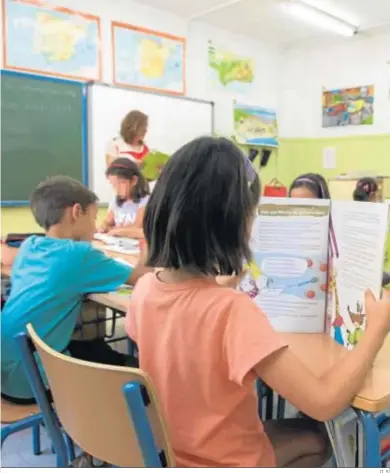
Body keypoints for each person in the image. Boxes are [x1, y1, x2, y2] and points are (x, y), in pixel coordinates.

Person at [125, 136, 390, 468]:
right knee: (321, 434)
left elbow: (182, 332)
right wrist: (375, 331)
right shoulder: (231, 311)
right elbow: (324, 403)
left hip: (174, 453)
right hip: (231, 462)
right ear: (236, 221)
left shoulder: (146, 290)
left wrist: (215, 285)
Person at [1, 176, 150, 405]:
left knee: (97, 348)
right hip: (33, 382)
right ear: (76, 212)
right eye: (92, 217)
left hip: (9, 370)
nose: (94, 226)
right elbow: (140, 276)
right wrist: (149, 244)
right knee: (142, 377)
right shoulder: (78, 256)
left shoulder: (30, 245)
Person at [99, 158, 150, 239]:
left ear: (134, 180)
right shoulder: (115, 201)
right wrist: (104, 226)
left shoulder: (145, 201)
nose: (117, 189)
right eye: (114, 185)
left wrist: (116, 230)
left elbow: (137, 229)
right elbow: (108, 221)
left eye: (121, 183)